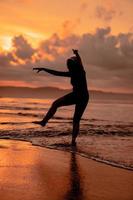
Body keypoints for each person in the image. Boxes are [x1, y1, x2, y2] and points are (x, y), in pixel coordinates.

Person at [33, 49, 89, 146]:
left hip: (81, 96)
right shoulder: (72, 73)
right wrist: (44, 69)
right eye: (68, 65)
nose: (68, 66)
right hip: (80, 96)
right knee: (57, 105)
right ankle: (44, 122)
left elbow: (80, 62)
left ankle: (72, 140)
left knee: (75, 119)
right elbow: (56, 73)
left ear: (74, 65)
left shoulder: (80, 71)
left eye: (70, 65)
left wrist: (77, 54)